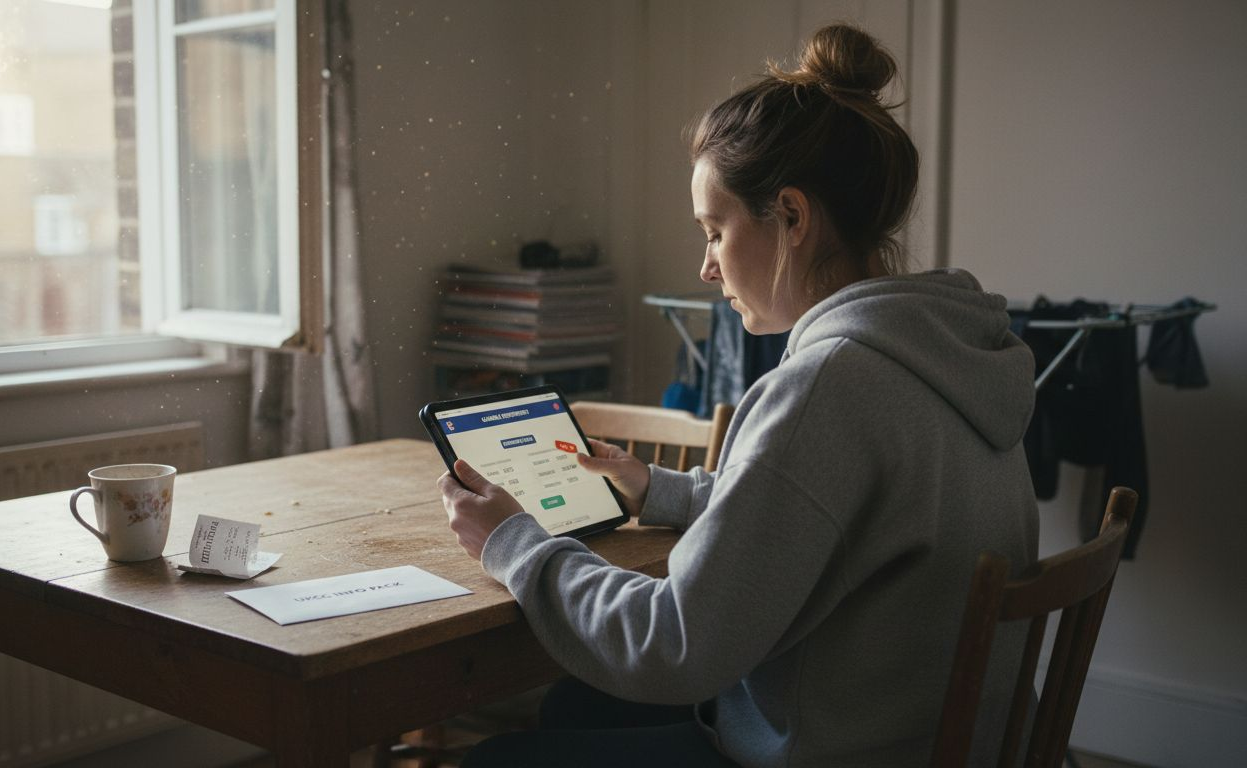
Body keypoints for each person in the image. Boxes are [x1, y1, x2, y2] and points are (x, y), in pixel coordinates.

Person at [438, 23, 1038, 768]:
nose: (707, 268)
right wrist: (661, 490)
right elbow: (840, 512)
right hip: (927, 739)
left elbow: (675, 645)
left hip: (831, 753)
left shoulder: (829, 386)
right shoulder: (954, 354)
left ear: (790, 216)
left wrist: (513, 542)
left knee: (495, 760)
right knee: (574, 706)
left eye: (714, 231)